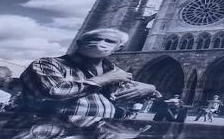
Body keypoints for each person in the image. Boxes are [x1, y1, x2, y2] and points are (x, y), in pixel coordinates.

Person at [10, 28, 159, 127]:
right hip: (42, 133)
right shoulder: (47, 63)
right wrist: (105, 79)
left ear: (119, 48)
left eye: (109, 41)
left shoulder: (113, 71)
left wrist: (150, 89)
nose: (100, 44)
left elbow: (125, 97)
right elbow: (55, 92)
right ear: (79, 43)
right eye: (93, 39)